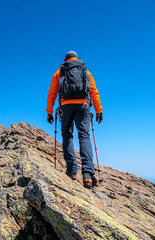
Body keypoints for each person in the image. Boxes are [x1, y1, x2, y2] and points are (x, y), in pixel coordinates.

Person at [46, 51, 103, 189]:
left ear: (65, 60)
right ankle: (88, 175)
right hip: (83, 105)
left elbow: (52, 93)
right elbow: (93, 91)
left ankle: (72, 171)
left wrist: (49, 112)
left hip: (65, 106)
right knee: (84, 136)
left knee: (67, 134)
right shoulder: (85, 71)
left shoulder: (59, 73)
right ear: (76, 59)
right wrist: (98, 110)